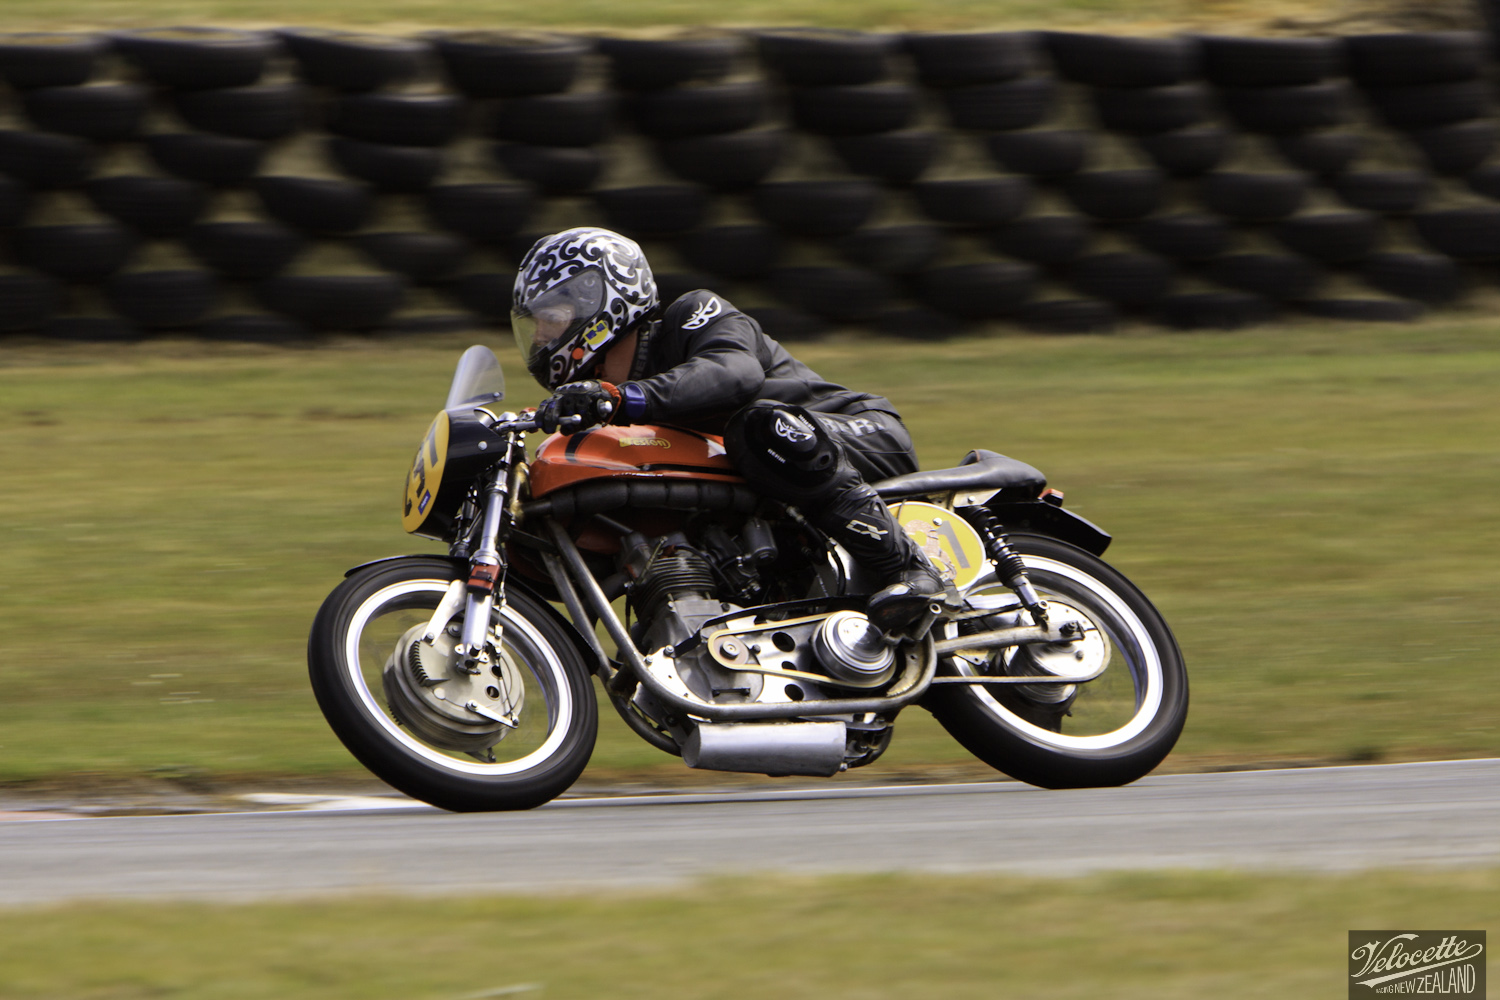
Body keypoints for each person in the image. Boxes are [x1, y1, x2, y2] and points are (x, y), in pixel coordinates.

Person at [510, 226, 943, 633]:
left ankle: (913, 573)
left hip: (858, 434)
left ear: (595, 301)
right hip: (780, 493)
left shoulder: (694, 315)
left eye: (551, 317)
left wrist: (621, 400)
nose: (540, 338)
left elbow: (735, 375)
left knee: (759, 425)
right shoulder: (617, 416)